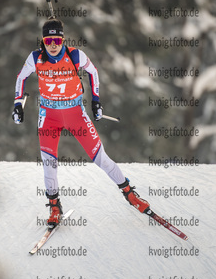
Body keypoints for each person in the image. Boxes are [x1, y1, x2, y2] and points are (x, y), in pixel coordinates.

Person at [12, 17, 150, 227]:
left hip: (75, 113)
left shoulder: (75, 55)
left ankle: (130, 194)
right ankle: (55, 206)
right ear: (42, 41)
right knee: (49, 163)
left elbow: (93, 72)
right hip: (48, 116)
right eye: (48, 42)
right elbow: (21, 78)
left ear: (63, 40)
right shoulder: (35, 58)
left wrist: (96, 101)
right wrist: (17, 104)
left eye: (57, 42)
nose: (53, 46)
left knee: (100, 158)